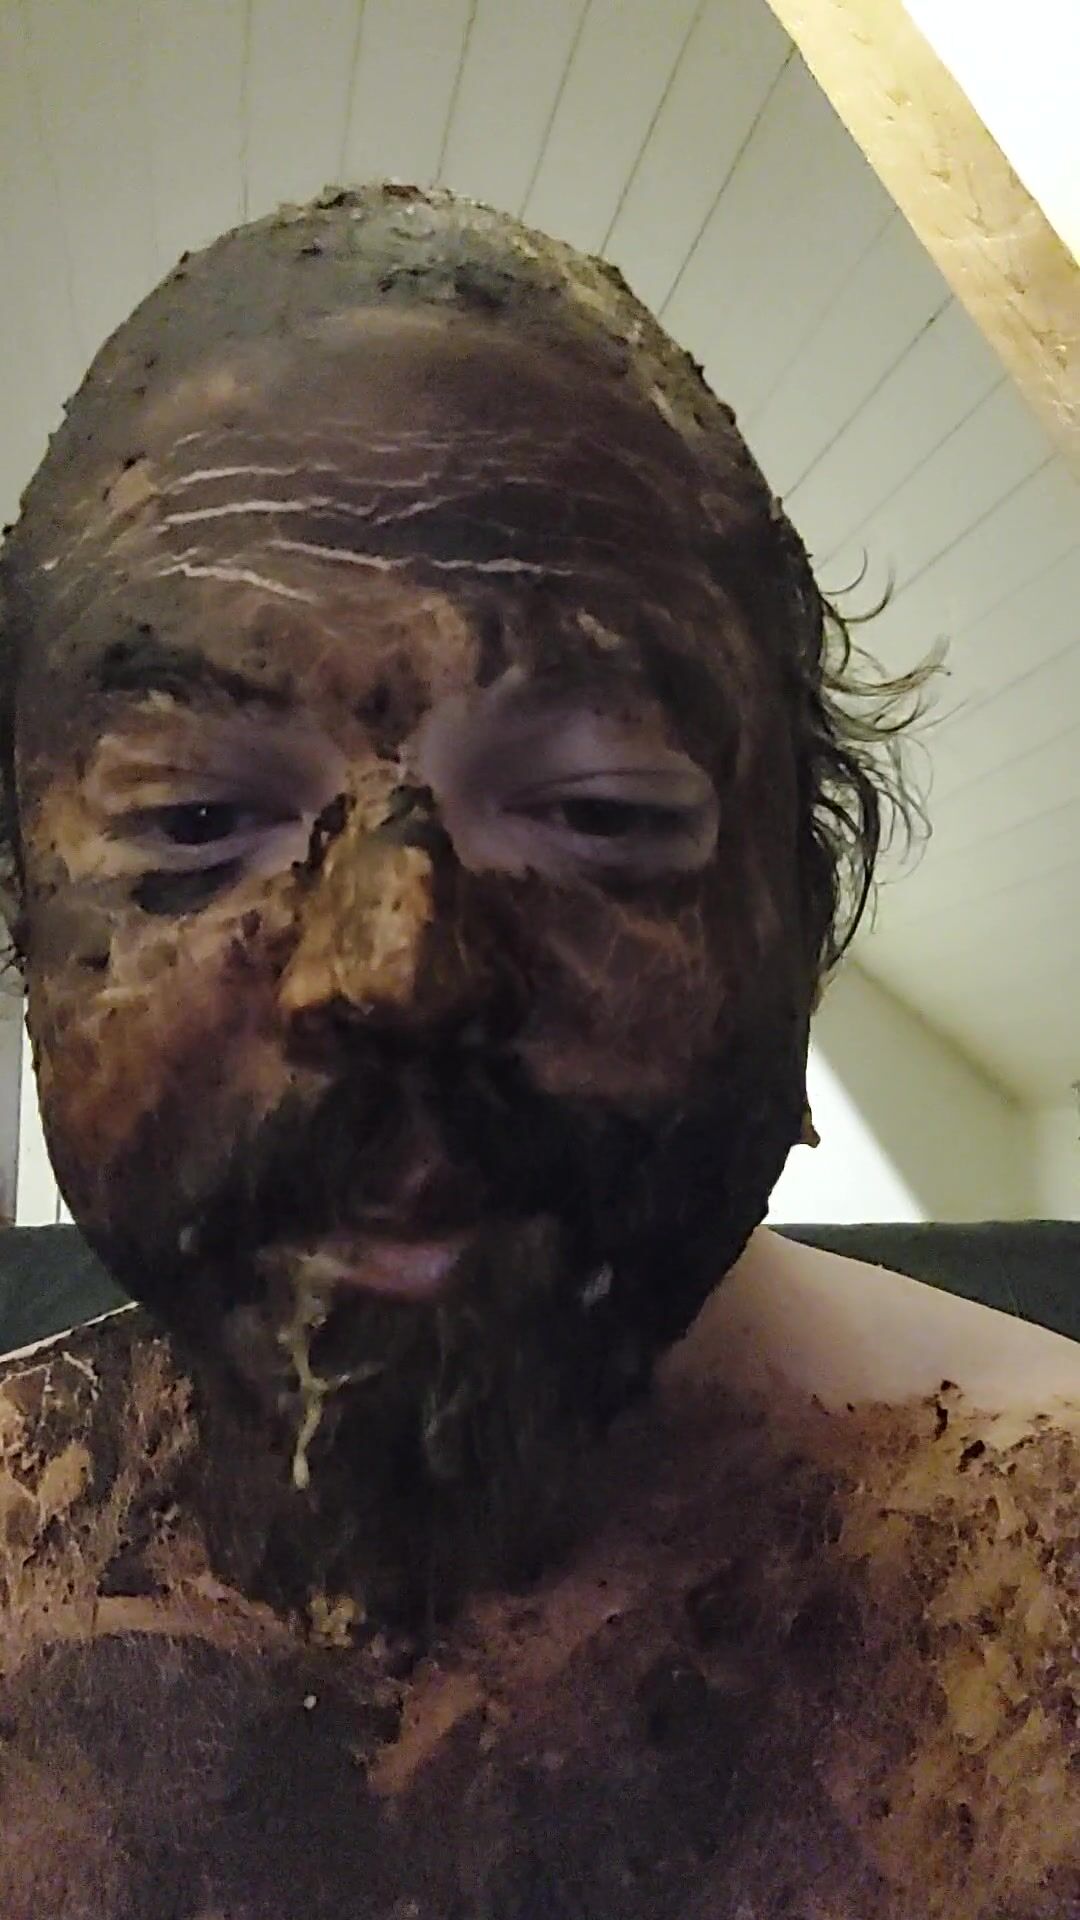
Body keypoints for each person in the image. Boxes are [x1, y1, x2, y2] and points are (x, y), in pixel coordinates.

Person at [0, 185, 1076, 1919]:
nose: (395, 970)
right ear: (29, 930)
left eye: (596, 812)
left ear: (802, 908)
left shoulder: (1046, 1611)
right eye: (196, 819)